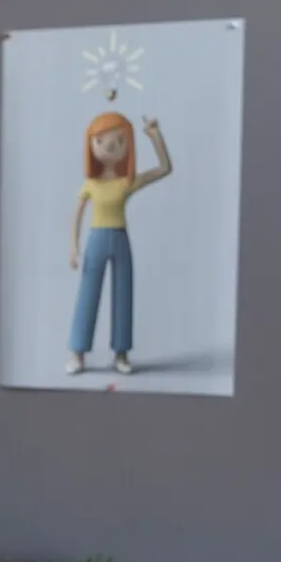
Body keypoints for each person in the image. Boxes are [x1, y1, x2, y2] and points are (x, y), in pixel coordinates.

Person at [68, 111, 172, 376]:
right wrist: (73, 246)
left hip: (120, 238)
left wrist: (155, 135)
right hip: (96, 239)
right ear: (91, 144)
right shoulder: (91, 183)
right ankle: (77, 353)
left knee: (123, 294)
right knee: (87, 296)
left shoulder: (127, 182)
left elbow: (164, 168)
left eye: (118, 140)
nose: (110, 146)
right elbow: (77, 213)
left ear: (128, 144)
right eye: (101, 141)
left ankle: (121, 353)